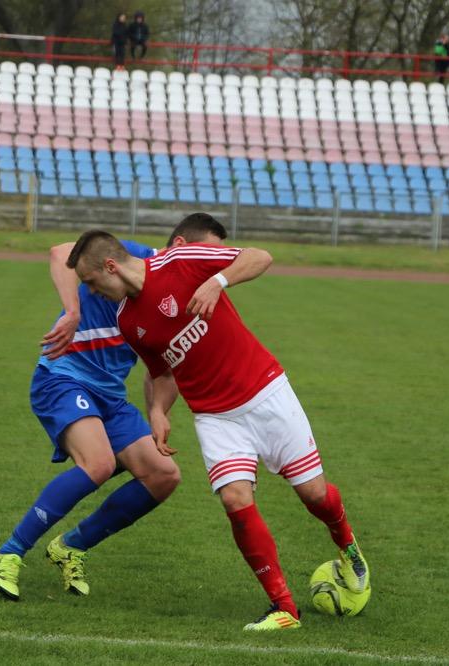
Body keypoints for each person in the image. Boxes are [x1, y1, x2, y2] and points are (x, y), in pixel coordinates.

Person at [65, 219, 370, 631]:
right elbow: (162, 373)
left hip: (265, 393)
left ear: (111, 266)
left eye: (90, 282)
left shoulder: (181, 261)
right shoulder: (127, 320)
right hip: (214, 417)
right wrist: (158, 412)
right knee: (234, 500)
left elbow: (260, 257)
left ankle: (348, 547)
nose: (90, 292)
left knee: (315, 495)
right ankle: (284, 608)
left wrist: (217, 282)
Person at [0, 218, 226, 600]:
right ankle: (8, 553)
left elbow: (164, 370)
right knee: (97, 464)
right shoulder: (135, 257)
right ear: (181, 246)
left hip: (110, 395)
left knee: (163, 474)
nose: (214, 262)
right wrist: (72, 311)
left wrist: (159, 412)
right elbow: (60, 252)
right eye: (208, 252)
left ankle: (70, 546)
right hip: (64, 377)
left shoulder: (184, 300)